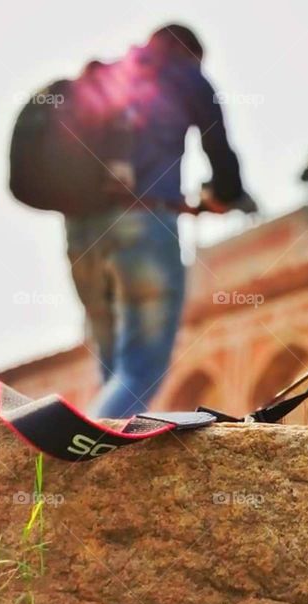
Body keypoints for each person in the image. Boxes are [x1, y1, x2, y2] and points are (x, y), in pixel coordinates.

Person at [64, 24, 255, 418]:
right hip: (143, 224)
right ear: (192, 53)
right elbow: (221, 158)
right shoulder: (185, 76)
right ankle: (81, 460)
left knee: (113, 360)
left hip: (81, 229)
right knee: (139, 369)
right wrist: (223, 198)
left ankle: (97, 451)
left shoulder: (112, 73)